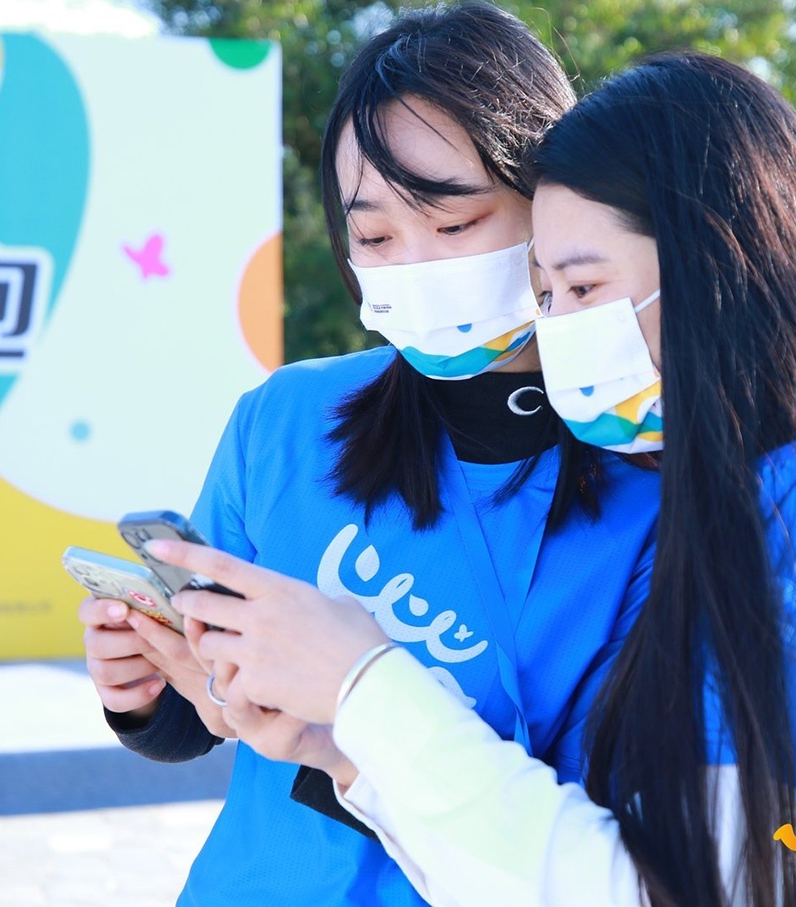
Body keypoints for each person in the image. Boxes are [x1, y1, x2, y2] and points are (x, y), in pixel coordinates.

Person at [160, 52, 796, 906]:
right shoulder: (786, 489)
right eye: (546, 296)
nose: (560, 331)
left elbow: (669, 882)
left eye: (583, 289)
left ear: (714, 265)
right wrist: (345, 749)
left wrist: (366, 684)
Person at [76, 6, 661, 904]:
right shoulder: (284, 419)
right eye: (377, 236)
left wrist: (346, 713)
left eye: (454, 225)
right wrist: (150, 693)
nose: (415, 264)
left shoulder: (652, 485)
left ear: (550, 205)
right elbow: (211, 713)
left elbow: (582, 849)